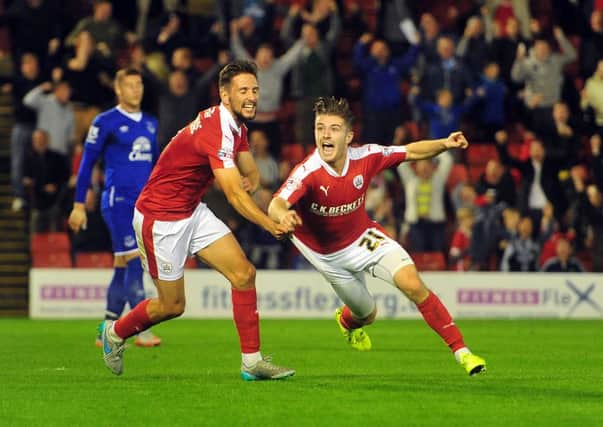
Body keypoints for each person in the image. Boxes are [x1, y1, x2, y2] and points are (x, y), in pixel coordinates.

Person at [96, 60, 296, 380]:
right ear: (224, 95)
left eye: (255, 90)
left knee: (244, 274)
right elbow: (233, 195)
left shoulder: (236, 125)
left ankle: (252, 362)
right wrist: (269, 223)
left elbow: (250, 172)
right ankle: (115, 333)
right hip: (159, 219)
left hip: (191, 210)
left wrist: (253, 181)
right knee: (172, 306)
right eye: (243, 90)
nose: (252, 97)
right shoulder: (216, 130)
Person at [268, 97, 486, 376]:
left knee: (413, 284)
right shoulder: (307, 172)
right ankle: (347, 322)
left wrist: (445, 143)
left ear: (348, 136)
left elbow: (410, 151)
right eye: (320, 127)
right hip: (329, 257)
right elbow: (276, 203)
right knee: (367, 315)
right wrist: (283, 214)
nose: (325, 134)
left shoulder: (366, 156)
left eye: (333, 128)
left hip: (363, 238)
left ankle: (463, 353)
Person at [68, 68, 161, 348]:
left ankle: (106, 329)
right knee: (134, 261)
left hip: (143, 205)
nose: (136, 90)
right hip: (118, 202)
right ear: (119, 90)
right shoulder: (105, 122)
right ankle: (140, 329)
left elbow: (156, 167)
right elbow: (87, 163)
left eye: (139, 84)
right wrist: (79, 204)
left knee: (123, 265)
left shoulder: (150, 123)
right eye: (130, 85)